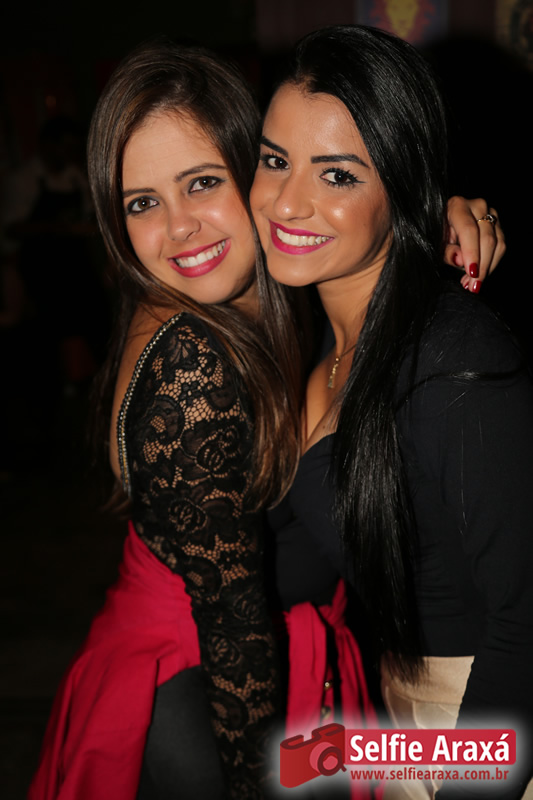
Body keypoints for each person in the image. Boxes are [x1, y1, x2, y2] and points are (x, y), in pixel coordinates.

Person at [28, 34, 505, 800]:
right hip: (207, 709)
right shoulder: (191, 361)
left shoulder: (283, 291)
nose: (179, 227)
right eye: (141, 203)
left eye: (201, 183)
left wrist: (434, 212)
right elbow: (235, 636)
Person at [250, 25, 532, 799]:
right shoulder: (321, 351)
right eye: (273, 160)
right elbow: (301, 569)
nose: (286, 201)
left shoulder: (454, 362)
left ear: (403, 187)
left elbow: (523, 625)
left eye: (336, 175)